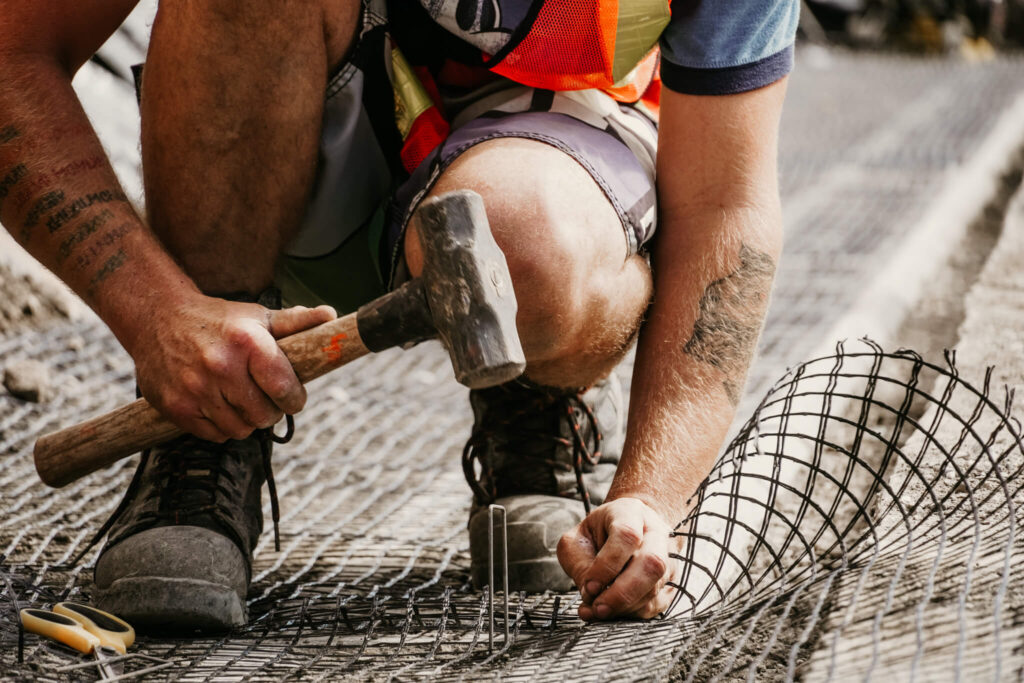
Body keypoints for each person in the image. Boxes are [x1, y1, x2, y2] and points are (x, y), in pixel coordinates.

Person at [0, 0, 798, 630]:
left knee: (525, 245)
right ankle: (205, 425)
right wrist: (159, 315)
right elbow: (13, 53)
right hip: (295, 123)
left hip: (543, 140)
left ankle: (536, 398)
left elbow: (725, 207)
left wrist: (654, 497)